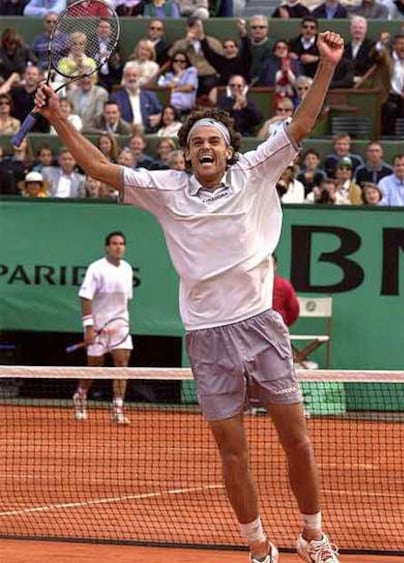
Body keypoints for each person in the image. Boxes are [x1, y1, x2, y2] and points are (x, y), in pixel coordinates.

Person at [34, 30, 344, 563]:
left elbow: (302, 124)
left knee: (296, 439)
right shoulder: (166, 190)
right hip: (206, 335)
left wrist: (328, 65)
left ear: (229, 149)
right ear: (185, 153)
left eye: (214, 141)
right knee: (233, 451)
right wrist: (59, 116)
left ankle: (313, 535)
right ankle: (258, 546)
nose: (205, 147)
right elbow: (100, 169)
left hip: (260, 324)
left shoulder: (256, 171)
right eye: (196, 141)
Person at [72, 231, 133, 425]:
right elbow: (85, 297)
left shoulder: (127, 269)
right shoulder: (96, 268)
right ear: (107, 246)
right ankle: (80, 396)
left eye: (122, 244)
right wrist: (89, 328)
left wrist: (122, 322)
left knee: (121, 366)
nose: (118, 247)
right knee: (94, 367)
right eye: (114, 243)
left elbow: (126, 301)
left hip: (120, 327)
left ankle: (117, 408)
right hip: (98, 326)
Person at [272, 255, 299, 327]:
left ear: (275, 266)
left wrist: (282, 325)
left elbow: (293, 310)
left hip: (278, 330)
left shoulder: (284, 285)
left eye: (270, 264)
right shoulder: (251, 286)